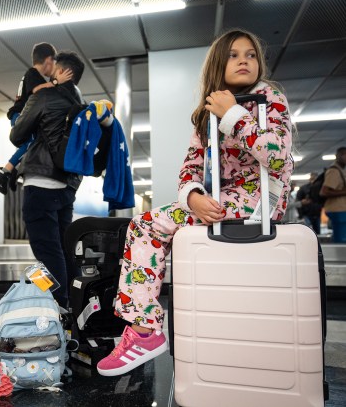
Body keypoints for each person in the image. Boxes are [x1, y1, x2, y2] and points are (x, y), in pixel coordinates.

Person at [96, 29, 293, 377]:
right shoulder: (207, 113)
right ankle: (142, 328)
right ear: (218, 63)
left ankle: (143, 331)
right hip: (223, 200)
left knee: (145, 226)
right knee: (150, 222)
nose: (244, 59)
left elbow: (278, 159)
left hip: (260, 200)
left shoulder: (269, 97)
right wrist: (193, 197)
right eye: (233, 54)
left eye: (250, 54)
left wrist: (233, 114)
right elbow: (190, 167)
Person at [9, 51, 86, 308]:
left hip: (40, 184)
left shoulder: (44, 95)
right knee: (63, 252)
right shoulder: (80, 103)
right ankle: (74, 308)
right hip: (67, 187)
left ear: (61, 71)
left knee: (46, 253)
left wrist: (36, 96)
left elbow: (17, 134)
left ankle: (57, 309)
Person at [0, 42, 73, 195]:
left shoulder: (37, 77)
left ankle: (13, 171)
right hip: (18, 115)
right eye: (55, 63)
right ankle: (4, 172)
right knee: (32, 141)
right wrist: (56, 82)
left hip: (24, 116)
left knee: (34, 142)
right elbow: (37, 91)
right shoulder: (32, 74)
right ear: (49, 60)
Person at [321, 147, 346, 242]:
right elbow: (324, 191)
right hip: (337, 210)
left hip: (341, 209)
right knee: (341, 240)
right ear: (338, 156)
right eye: (344, 155)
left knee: (341, 237)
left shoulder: (342, 170)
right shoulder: (334, 171)